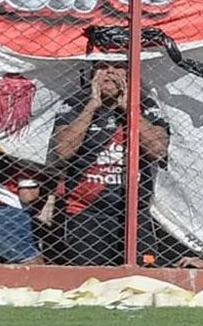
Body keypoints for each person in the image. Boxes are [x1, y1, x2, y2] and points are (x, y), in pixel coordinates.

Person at [49, 58, 171, 266]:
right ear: (92, 74)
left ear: (130, 74)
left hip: (133, 210)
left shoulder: (145, 104)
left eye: (118, 67)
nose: (110, 72)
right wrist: (92, 106)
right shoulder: (75, 104)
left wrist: (128, 109)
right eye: (103, 67)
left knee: (143, 275)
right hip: (85, 211)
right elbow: (63, 151)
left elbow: (158, 150)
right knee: (88, 279)